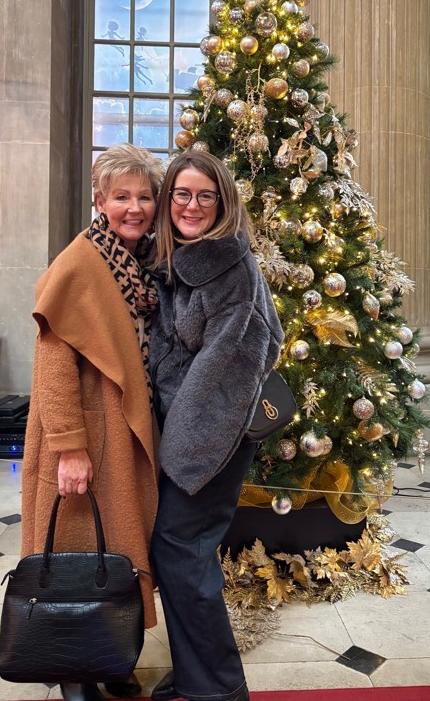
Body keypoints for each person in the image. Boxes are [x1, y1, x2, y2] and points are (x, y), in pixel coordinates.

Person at [20, 143, 165, 701]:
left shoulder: (138, 263)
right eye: (121, 196)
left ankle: (108, 654)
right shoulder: (80, 262)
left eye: (144, 196)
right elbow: (53, 365)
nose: (134, 207)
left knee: (118, 552)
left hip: (121, 431)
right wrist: (69, 448)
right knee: (74, 552)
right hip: (86, 435)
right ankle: (73, 667)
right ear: (99, 200)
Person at [148, 152, 284, 701]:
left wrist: (179, 451)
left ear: (223, 203)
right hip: (188, 429)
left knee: (179, 545)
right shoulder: (182, 258)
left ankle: (220, 687)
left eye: (206, 196)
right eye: (182, 194)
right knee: (182, 551)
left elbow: (224, 368)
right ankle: (198, 672)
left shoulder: (230, 267)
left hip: (211, 436)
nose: (192, 205)